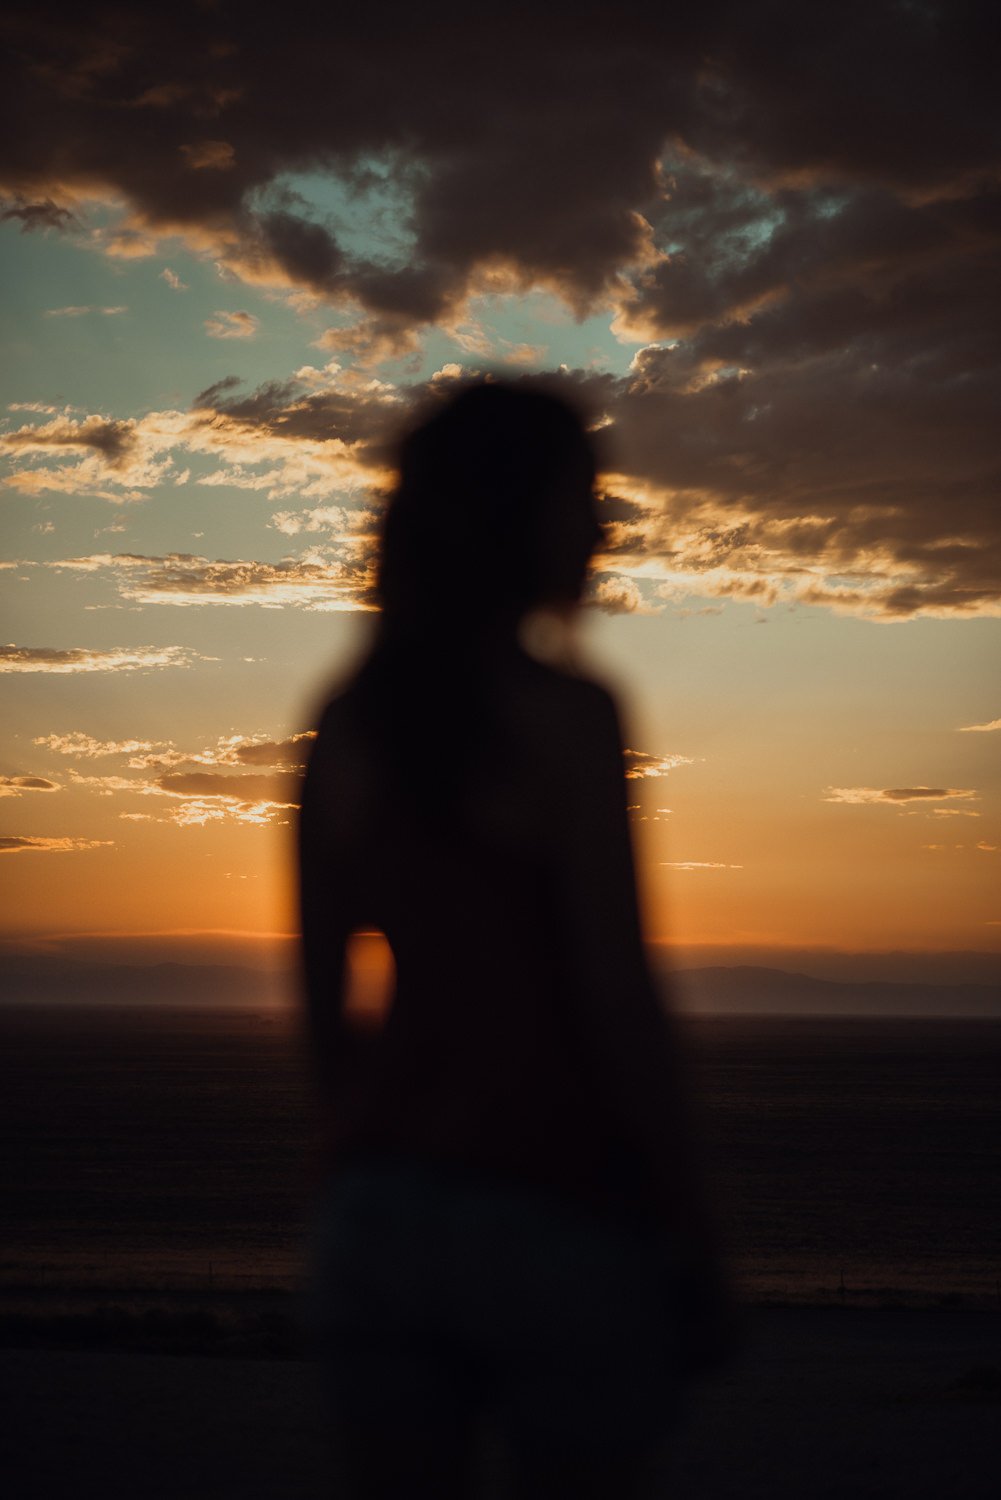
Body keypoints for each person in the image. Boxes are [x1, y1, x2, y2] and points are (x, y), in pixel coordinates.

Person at [298, 380, 729, 1499]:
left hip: (379, 1221)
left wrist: (364, 1178)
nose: (602, 530)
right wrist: (690, 1219)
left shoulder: (347, 722)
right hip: (556, 1215)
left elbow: (320, 1019)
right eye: (578, 498)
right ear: (511, 517)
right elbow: (614, 992)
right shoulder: (569, 716)